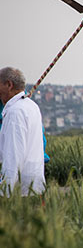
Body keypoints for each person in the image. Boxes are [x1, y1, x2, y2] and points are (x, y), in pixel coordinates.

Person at [0, 67, 46, 195]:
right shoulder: (32, 106)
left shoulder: (15, 112)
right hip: (35, 187)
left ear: (9, 85)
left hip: (20, 191)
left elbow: (13, 155)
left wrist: (5, 192)